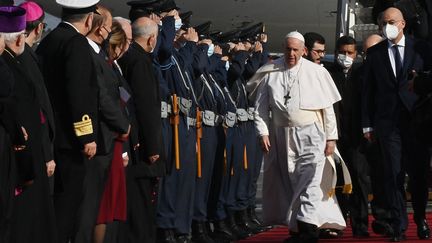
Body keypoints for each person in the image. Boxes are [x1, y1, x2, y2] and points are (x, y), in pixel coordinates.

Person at [250, 31, 345, 243]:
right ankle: (296, 228)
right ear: (283, 48)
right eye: (288, 49)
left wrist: (331, 138)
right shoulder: (271, 72)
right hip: (282, 135)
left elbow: (327, 108)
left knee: (310, 180)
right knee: (291, 180)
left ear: (304, 51)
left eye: (296, 50)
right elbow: (260, 107)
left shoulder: (316, 72)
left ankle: (308, 230)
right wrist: (262, 132)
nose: (291, 54)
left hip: (311, 133)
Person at [362, 7, 431, 241]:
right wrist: (367, 125)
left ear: (402, 24)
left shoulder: (421, 49)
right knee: (393, 175)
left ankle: (420, 218)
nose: (387, 26)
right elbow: (368, 93)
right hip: (388, 124)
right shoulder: (375, 54)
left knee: (419, 175)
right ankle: (399, 224)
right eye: (383, 23)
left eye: (391, 22)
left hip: (418, 123)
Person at [36, 0, 100, 241]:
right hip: (70, 140)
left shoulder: (50, 41)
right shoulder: (76, 43)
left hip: (52, 134)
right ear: (88, 19)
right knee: (68, 205)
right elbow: (79, 93)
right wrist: (87, 135)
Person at [1, 5, 57, 243]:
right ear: (18, 39)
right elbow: (21, 122)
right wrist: (31, 166)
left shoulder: (15, 63)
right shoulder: (11, 70)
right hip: (21, 162)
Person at [118, 16, 163, 243]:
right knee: (141, 205)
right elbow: (146, 107)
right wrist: (154, 146)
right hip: (142, 147)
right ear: (152, 39)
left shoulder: (130, 57)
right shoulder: (140, 61)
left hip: (132, 139)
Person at [328, 35, 371, 238]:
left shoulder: (362, 73)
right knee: (335, 180)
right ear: (336, 53)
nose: (346, 56)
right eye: (342, 53)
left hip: (356, 136)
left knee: (359, 179)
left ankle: (360, 223)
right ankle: (337, 221)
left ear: (356, 54)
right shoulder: (329, 73)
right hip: (334, 136)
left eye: (350, 53)